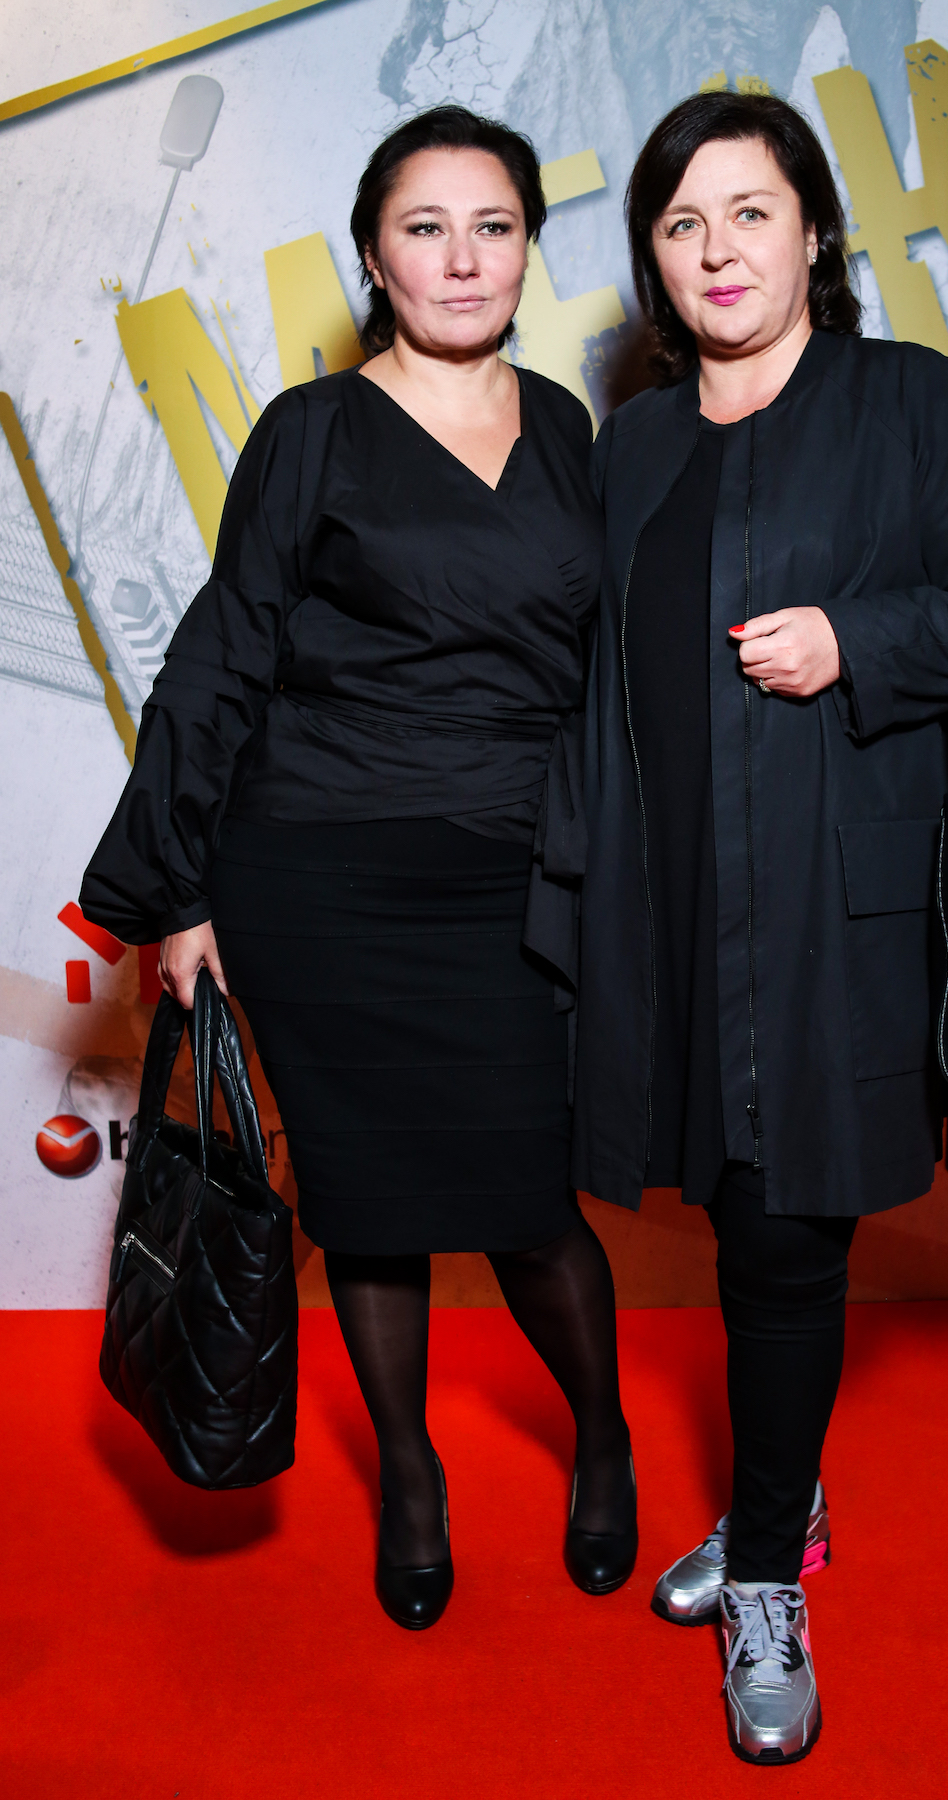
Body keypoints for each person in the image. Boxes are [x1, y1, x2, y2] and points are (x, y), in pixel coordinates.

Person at [80, 105, 637, 1631]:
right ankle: (408, 1470)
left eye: (493, 227)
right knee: (370, 1208)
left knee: (531, 1205)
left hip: (516, 877)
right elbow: (223, 653)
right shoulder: (310, 429)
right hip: (318, 872)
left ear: (528, 250)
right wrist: (175, 890)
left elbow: (614, 661)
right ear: (373, 259)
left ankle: (599, 1433)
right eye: (424, 228)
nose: (461, 259)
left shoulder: (571, 428)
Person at [572, 91, 948, 1765]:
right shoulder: (633, 444)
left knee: (790, 1243)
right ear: (653, 259)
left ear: (814, 232)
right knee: (738, 1221)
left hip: (829, 912)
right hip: (672, 911)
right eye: (681, 222)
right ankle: (783, 1495)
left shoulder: (910, 401)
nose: (718, 249)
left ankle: (771, 1572)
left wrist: (863, 641)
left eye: (751, 212)